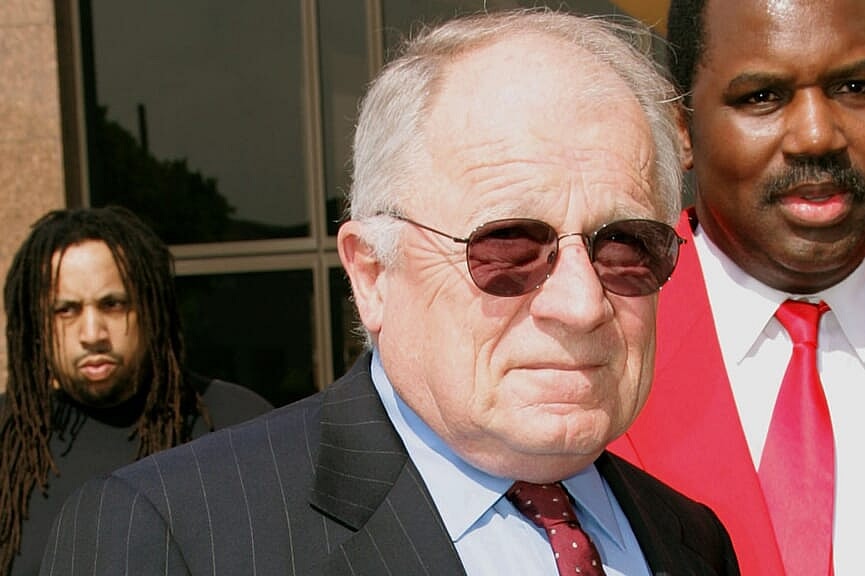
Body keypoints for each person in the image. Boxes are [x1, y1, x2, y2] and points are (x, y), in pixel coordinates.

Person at [39, 10, 740, 576]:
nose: (581, 304)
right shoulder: (169, 537)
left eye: (625, 246)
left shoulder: (691, 540)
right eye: (509, 247)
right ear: (372, 274)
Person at [609, 0, 865, 574]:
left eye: (856, 87)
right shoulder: (581, 351)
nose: (815, 136)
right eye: (762, 96)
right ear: (681, 126)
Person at [0, 206, 273, 576]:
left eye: (112, 305)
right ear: (36, 323)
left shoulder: (237, 425)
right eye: (66, 310)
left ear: (151, 308)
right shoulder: (9, 442)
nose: (92, 334)